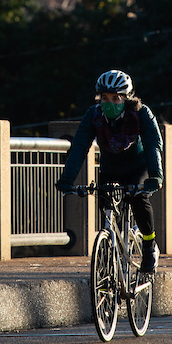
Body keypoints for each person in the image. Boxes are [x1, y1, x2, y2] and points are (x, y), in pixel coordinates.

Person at [56, 69, 164, 273]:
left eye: (116, 98)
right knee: (105, 205)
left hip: (137, 167)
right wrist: (67, 179)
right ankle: (109, 250)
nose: (109, 103)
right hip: (110, 168)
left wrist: (155, 176)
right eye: (105, 98)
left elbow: (153, 145)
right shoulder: (94, 115)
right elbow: (79, 146)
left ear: (126, 98)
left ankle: (149, 246)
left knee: (138, 199)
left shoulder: (141, 113)